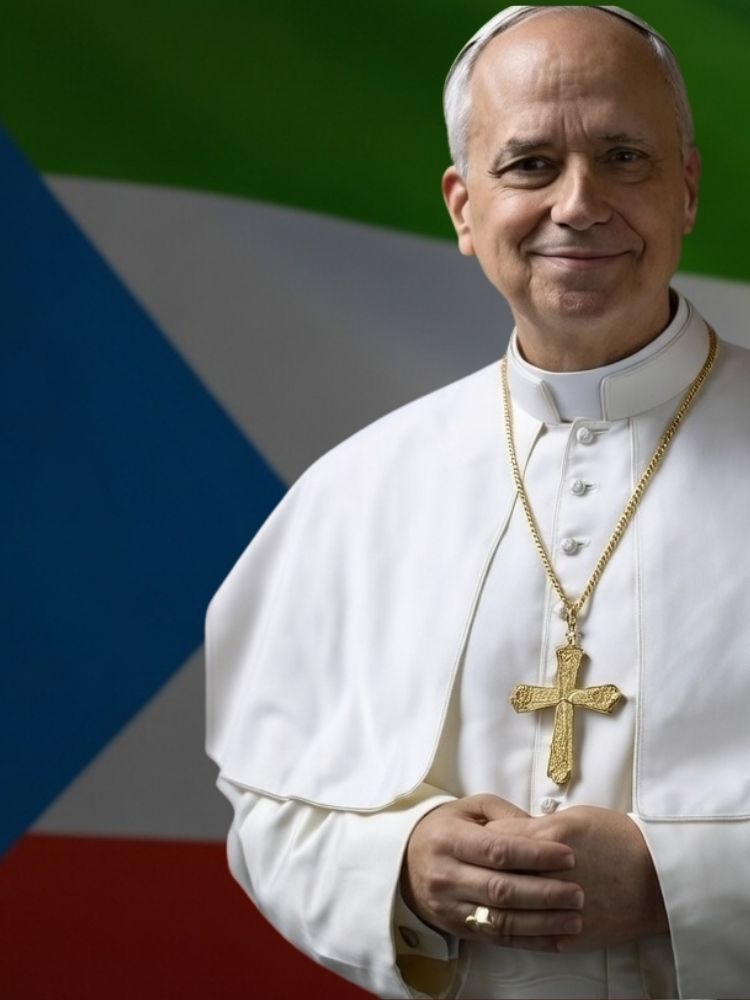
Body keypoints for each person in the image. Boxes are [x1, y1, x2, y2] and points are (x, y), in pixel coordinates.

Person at [205, 6, 750, 998]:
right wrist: (401, 866)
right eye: (530, 165)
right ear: (464, 207)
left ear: (686, 187)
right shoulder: (360, 490)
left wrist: (685, 884)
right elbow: (270, 808)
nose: (578, 204)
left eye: (623, 158)